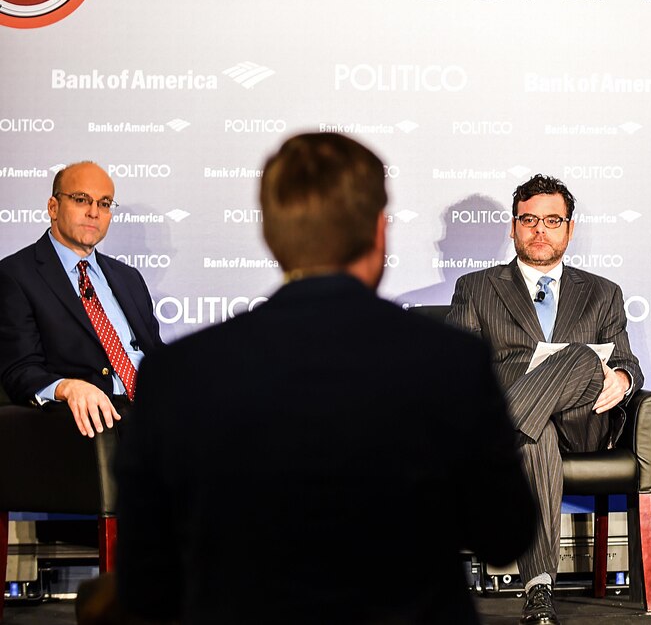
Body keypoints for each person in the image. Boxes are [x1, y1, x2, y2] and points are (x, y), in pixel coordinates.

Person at [112, 133, 535, 624]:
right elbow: (504, 532)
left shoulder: (177, 374)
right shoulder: (450, 362)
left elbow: (145, 583)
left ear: (271, 234)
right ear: (379, 231)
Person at [447, 174, 644, 625]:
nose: (540, 230)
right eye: (529, 219)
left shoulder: (602, 292)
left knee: (578, 358)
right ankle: (539, 589)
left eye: (552, 220)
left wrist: (623, 379)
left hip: (585, 419)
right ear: (512, 227)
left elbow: (630, 364)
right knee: (536, 437)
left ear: (569, 229)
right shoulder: (476, 288)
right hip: (534, 431)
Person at [0, 161, 163, 436]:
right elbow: (20, 369)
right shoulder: (15, 275)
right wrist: (66, 387)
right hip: (94, 422)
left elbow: (155, 352)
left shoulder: (128, 277)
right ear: (53, 207)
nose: (93, 212)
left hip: (155, 409)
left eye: (105, 203)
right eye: (81, 200)